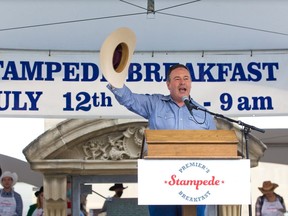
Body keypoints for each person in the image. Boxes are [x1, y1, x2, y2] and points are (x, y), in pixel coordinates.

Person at [106, 63, 216, 216]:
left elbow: (216, 150)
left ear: (191, 83)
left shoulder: (204, 114)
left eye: (186, 78)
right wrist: (114, 80)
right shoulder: (155, 104)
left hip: (194, 183)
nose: (182, 82)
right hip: (160, 180)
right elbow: (129, 99)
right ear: (169, 84)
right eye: (177, 79)